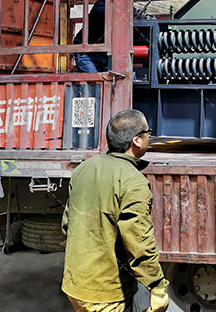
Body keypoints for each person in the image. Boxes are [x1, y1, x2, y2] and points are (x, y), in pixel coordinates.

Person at [62, 109, 169, 312]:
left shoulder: (84, 168)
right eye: (148, 132)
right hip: (107, 293)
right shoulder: (133, 182)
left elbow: (67, 224)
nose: (150, 136)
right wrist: (157, 286)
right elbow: (139, 242)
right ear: (137, 140)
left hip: (74, 284)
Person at [73, 0, 108, 73]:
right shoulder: (101, 8)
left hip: (105, 54)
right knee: (94, 81)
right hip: (87, 54)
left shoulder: (121, 7)